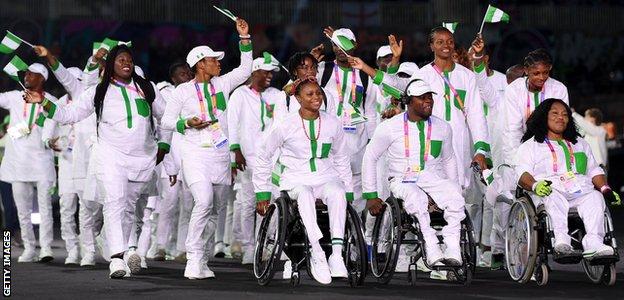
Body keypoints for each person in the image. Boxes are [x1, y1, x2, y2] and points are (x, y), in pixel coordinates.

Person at [24, 45, 172, 279]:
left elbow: (168, 117)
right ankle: (116, 259)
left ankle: (112, 243)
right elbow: (68, 115)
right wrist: (43, 101)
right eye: (121, 59)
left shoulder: (146, 88)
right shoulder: (98, 91)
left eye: (130, 60)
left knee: (128, 210)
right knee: (115, 203)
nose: (127, 63)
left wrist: (164, 145)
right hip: (110, 156)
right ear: (111, 64)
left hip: (142, 160)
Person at [161, 18, 252, 279]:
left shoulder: (221, 84)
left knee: (215, 210)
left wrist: (244, 38)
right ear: (201, 63)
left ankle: (202, 257)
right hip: (194, 153)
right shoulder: (182, 91)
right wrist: (185, 122)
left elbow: (245, 70)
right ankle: (192, 258)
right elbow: (166, 120)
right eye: (213, 59)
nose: (218, 63)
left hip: (219, 154)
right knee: (203, 201)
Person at [253, 77, 352, 285]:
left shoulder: (333, 122)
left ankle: (336, 254)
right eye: (310, 94)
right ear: (298, 98)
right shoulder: (285, 124)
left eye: (318, 93)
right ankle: (317, 252)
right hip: (295, 178)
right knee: (305, 194)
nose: (316, 97)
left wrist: (348, 188)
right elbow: (263, 155)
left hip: (326, 177)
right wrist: (262, 192)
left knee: (337, 192)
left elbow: (342, 158)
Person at [362, 79, 466, 267]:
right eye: (422, 98)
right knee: (415, 197)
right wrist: (371, 195)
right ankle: (432, 246)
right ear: (408, 101)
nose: (428, 101)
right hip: (402, 179)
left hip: (432, 177)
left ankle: (452, 247)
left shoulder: (443, 127)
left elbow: (449, 159)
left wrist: (454, 184)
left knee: (455, 194)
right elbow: (370, 157)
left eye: (430, 97)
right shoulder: (389, 127)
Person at [515, 99, 620, 258]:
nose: (561, 118)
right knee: (553, 195)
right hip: (549, 189)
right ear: (544, 117)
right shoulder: (531, 146)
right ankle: (561, 241)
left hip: (579, 190)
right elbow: (522, 173)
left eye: (565, 114)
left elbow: (593, 170)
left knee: (595, 197)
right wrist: (535, 185)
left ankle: (594, 243)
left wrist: (605, 189)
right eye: (555, 113)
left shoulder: (580, 144)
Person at [312, 27, 379, 212]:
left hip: (357, 143)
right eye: (337, 45)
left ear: (355, 45)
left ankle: (353, 237)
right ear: (332, 46)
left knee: (356, 197)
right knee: (329, 191)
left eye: (346, 45)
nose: (341, 50)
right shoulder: (322, 70)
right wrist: (310, 63)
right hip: (329, 142)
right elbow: (298, 90)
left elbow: (371, 111)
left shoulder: (365, 75)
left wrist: (372, 142)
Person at [0, 64, 58, 263]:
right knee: (22, 210)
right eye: (26, 73)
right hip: (17, 164)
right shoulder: (15, 97)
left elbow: (54, 126)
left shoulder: (51, 101)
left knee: (45, 208)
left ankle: (46, 248)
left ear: (41, 78)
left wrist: (50, 140)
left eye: (31, 74)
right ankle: (30, 248)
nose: (26, 75)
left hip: (42, 162)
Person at [227, 56, 281, 265]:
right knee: (249, 203)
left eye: (271, 73)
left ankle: (263, 244)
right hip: (247, 157)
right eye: (265, 72)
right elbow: (232, 123)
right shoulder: (240, 95)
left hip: (271, 159)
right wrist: (235, 151)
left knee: (269, 203)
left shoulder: (275, 95)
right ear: (254, 71)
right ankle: (249, 247)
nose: (269, 76)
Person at [153, 62, 193, 262]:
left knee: (188, 206)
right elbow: (164, 129)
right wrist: (168, 162)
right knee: (168, 204)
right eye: (181, 74)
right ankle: (160, 245)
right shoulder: (165, 95)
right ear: (173, 78)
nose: (186, 75)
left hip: (189, 156)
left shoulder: (196, 94)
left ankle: (182, 249)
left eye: (188, 72)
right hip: (171, 157)